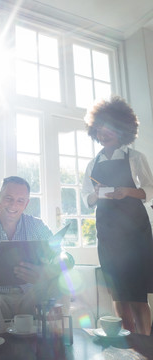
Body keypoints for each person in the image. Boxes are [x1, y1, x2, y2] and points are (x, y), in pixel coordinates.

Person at [0, 176, 74, 333]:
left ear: (26, 203)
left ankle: (56, 343)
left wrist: (46, 272)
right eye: (8, 198)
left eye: (20, 200)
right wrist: (4, 267)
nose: (13, 205)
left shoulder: (36, 225)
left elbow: (63, 255)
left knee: (62, 277)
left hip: (30, 297)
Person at [81, 96, 153, 335]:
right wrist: (97, 194)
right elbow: (86, 198)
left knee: (138, 295)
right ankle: (129, 345)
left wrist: (127, 192)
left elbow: (150, 189)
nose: (104, 133)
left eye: (109, 127)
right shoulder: (94, 163)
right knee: (119, 293)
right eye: (99, 128)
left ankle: (146, 345)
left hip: (136, 233)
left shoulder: (135, 158)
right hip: (109, 234)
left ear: (122, 129)